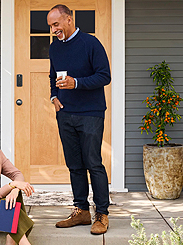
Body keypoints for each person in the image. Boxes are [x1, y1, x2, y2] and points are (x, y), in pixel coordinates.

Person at [47, 4, 111, 235]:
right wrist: (54, 96)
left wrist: (77, 83)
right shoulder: (55, 48)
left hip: (91, 113)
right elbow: (52, 75)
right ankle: (81, 211)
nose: (53, 30)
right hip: (65, 114)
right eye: (50, 26)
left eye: (56, 24)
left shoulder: (91, 43)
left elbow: (105, 76)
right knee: (74, 165)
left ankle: (101, 214)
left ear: (69, 20)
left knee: (93, 163)